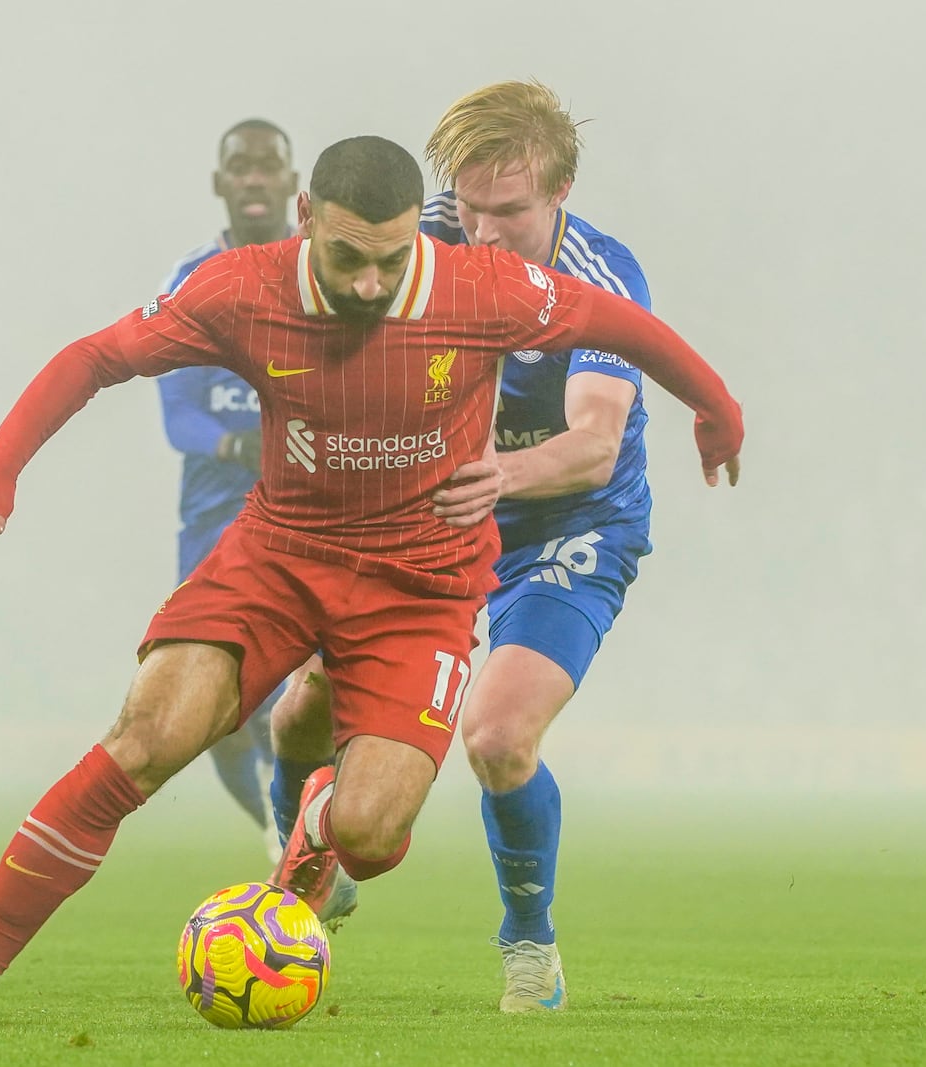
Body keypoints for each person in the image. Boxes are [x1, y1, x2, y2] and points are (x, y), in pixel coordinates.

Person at [0, 134, 742, 1027]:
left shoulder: (481, 289)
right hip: (279, 558)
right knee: (145, 737)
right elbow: (95, 358)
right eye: (349, 257)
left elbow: (627, 327)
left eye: (391, 260)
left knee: (370, 835)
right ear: (306, 217)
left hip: (421, 588)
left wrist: (717, 406)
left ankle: (321, 817)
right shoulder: (242, 287)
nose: (370, 283)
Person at [265, 80, 673, 1012]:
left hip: (567, 527)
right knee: (296, 716)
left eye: (511, 213)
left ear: (561, 193)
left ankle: (529, 944)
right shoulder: (427, 233)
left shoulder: (603, 276)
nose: (483, 235)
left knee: (496, 737)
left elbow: (596, 441)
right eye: (472, 208)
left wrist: (493, 472)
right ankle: (309, 854)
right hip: (432, 521)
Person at [155, 119, 298, 848]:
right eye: (238, 166)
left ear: (292, 183)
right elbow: (177, 414)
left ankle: (313, 829)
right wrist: (239, 440)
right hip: (215, 523)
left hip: (312, 519)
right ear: (219, 182)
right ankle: (281, 835)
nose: (252, 177)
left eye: (266, 165)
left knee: (304, 703)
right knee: (214, 712)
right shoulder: (190, 279)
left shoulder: (322, 272)